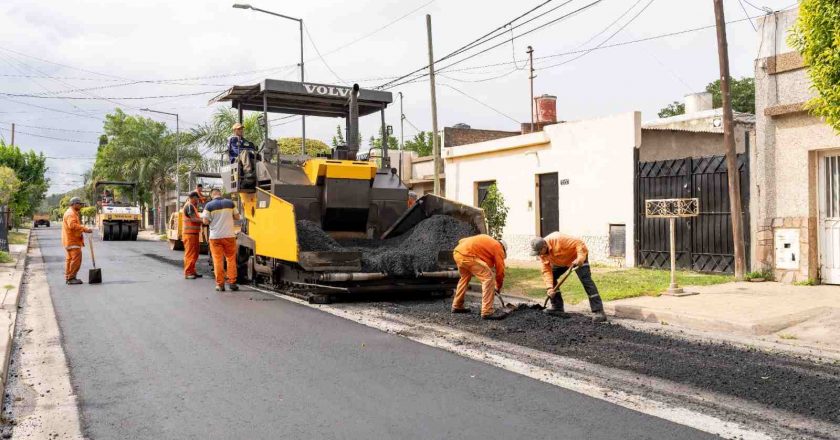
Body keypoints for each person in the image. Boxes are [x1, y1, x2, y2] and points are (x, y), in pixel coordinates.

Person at [530, 233, 607, 322]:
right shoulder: (542, 254)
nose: (539, 255)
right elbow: (546, 271)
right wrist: (550, 288)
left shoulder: (558, 239)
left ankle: (599, 311)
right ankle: (557, 307)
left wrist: (580, 258)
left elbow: (579, 243)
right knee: (552, 277)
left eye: (539, 252)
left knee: (586, 281)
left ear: (544, 246)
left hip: (576, 258)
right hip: (562, 261)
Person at [452, 234, 508, 320]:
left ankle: (457, 305)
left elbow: (462, 240)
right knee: (488, 278)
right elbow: (500, 271)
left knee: (464, 278)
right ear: (503, 248)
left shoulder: (488, 242)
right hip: (468, 255)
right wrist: (498, 287)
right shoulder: (498, 247)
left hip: (458, 253)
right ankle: (487, 312)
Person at [201, 189, 240, 291]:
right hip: (229, 236)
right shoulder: (230, 203)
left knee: (217, 260)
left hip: (215, 237)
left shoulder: (209, 205)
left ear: (212, 195)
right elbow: (237, 216)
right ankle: (232, 283)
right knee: (231, 259)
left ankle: (220, 285)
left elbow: (205, 221)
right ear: (220, 194)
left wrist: (213, 222)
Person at [62, 197, 92, 285]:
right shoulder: (71, 214)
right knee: (76, 260)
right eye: (79, 204)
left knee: (70, 259)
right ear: (74, 204)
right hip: (72, 240)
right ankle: (71, 278)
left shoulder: (71, 212)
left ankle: (69, 277)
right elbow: (72, 225)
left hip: (69, 240)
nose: (80, 206)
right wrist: (85, 229)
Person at [182, 192, 203, 280]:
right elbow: (193, 218)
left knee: (195, 254)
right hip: (189, 234)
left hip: (193, 234)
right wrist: (204, 220)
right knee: (190, 254)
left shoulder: (192, 206)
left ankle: (192, 271)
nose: (197, 200)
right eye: (197, 199)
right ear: (193, 198)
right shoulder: (189, 206)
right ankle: (188, 272)